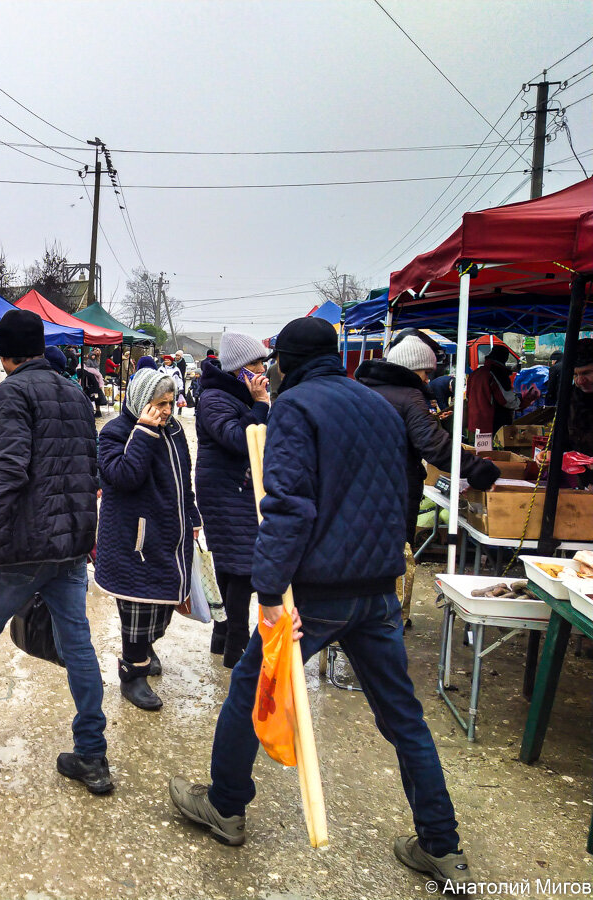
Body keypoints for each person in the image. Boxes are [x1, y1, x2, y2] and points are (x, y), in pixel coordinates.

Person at [169, 316, 475, 892]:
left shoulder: (295, 409)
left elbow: (289, 507)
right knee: (404, 717)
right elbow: (398, 494)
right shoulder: (382, 407)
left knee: (250, 688)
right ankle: (443, 845)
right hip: (378, 589)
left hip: (315, 593)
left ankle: (226, 806)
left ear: (285, 363)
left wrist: (267, 593)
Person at [0, 309, 111, 794]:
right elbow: (91, 471)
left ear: (4, 354)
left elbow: (9, 470)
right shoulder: (73, 390)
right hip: (70, 544)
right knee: (78, 644)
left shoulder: (12, 392)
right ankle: (92, 754)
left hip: (26, 545)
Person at [95, 369, 199, 710]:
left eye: (170, 403)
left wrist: (193, 516)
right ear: (142, 402)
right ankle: (132, 673)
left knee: (163, 603)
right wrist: (143, 431)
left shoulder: (175, 430)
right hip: (133, 540)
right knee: (137, 606)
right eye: (159, 403)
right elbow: (123, 477)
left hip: (170, 533)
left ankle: (146, 647)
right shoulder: (116, 432)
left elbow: (184, 479)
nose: (166, 410)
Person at [358, 333, 500, 544]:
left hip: (359, 488)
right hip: (394, 490)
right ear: (410, 369)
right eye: (425, 372)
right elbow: (434, 446)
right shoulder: (410, 397)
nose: (427, 379)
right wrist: (478, 470)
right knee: (393, 559)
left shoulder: (361, 391)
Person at [194, 333, 271, 669]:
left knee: (230, 563)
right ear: (240, 368)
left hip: (235, 486)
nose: (262, 370)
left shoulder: (232, 394)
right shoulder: (214, 398)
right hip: (226, 490)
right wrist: (261, 405)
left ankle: (223, 639)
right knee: (240, 567)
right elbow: (240, 439)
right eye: (256, 364)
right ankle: (236, 650)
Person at [467, 344, 539, 438]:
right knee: (492, 452)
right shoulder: (496, 373)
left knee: (476, 451)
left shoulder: (476, 373)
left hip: (474, 421)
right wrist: (523, 401)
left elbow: (468, 396)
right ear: (504, 358)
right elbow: (506, 400)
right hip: (490, 424)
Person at [566, 338, 593, 456]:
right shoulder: (570, 397)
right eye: (575, 375)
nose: (580, 381)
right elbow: (562, 436)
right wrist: (550, 452)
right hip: (579, 470)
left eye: (586, 373)